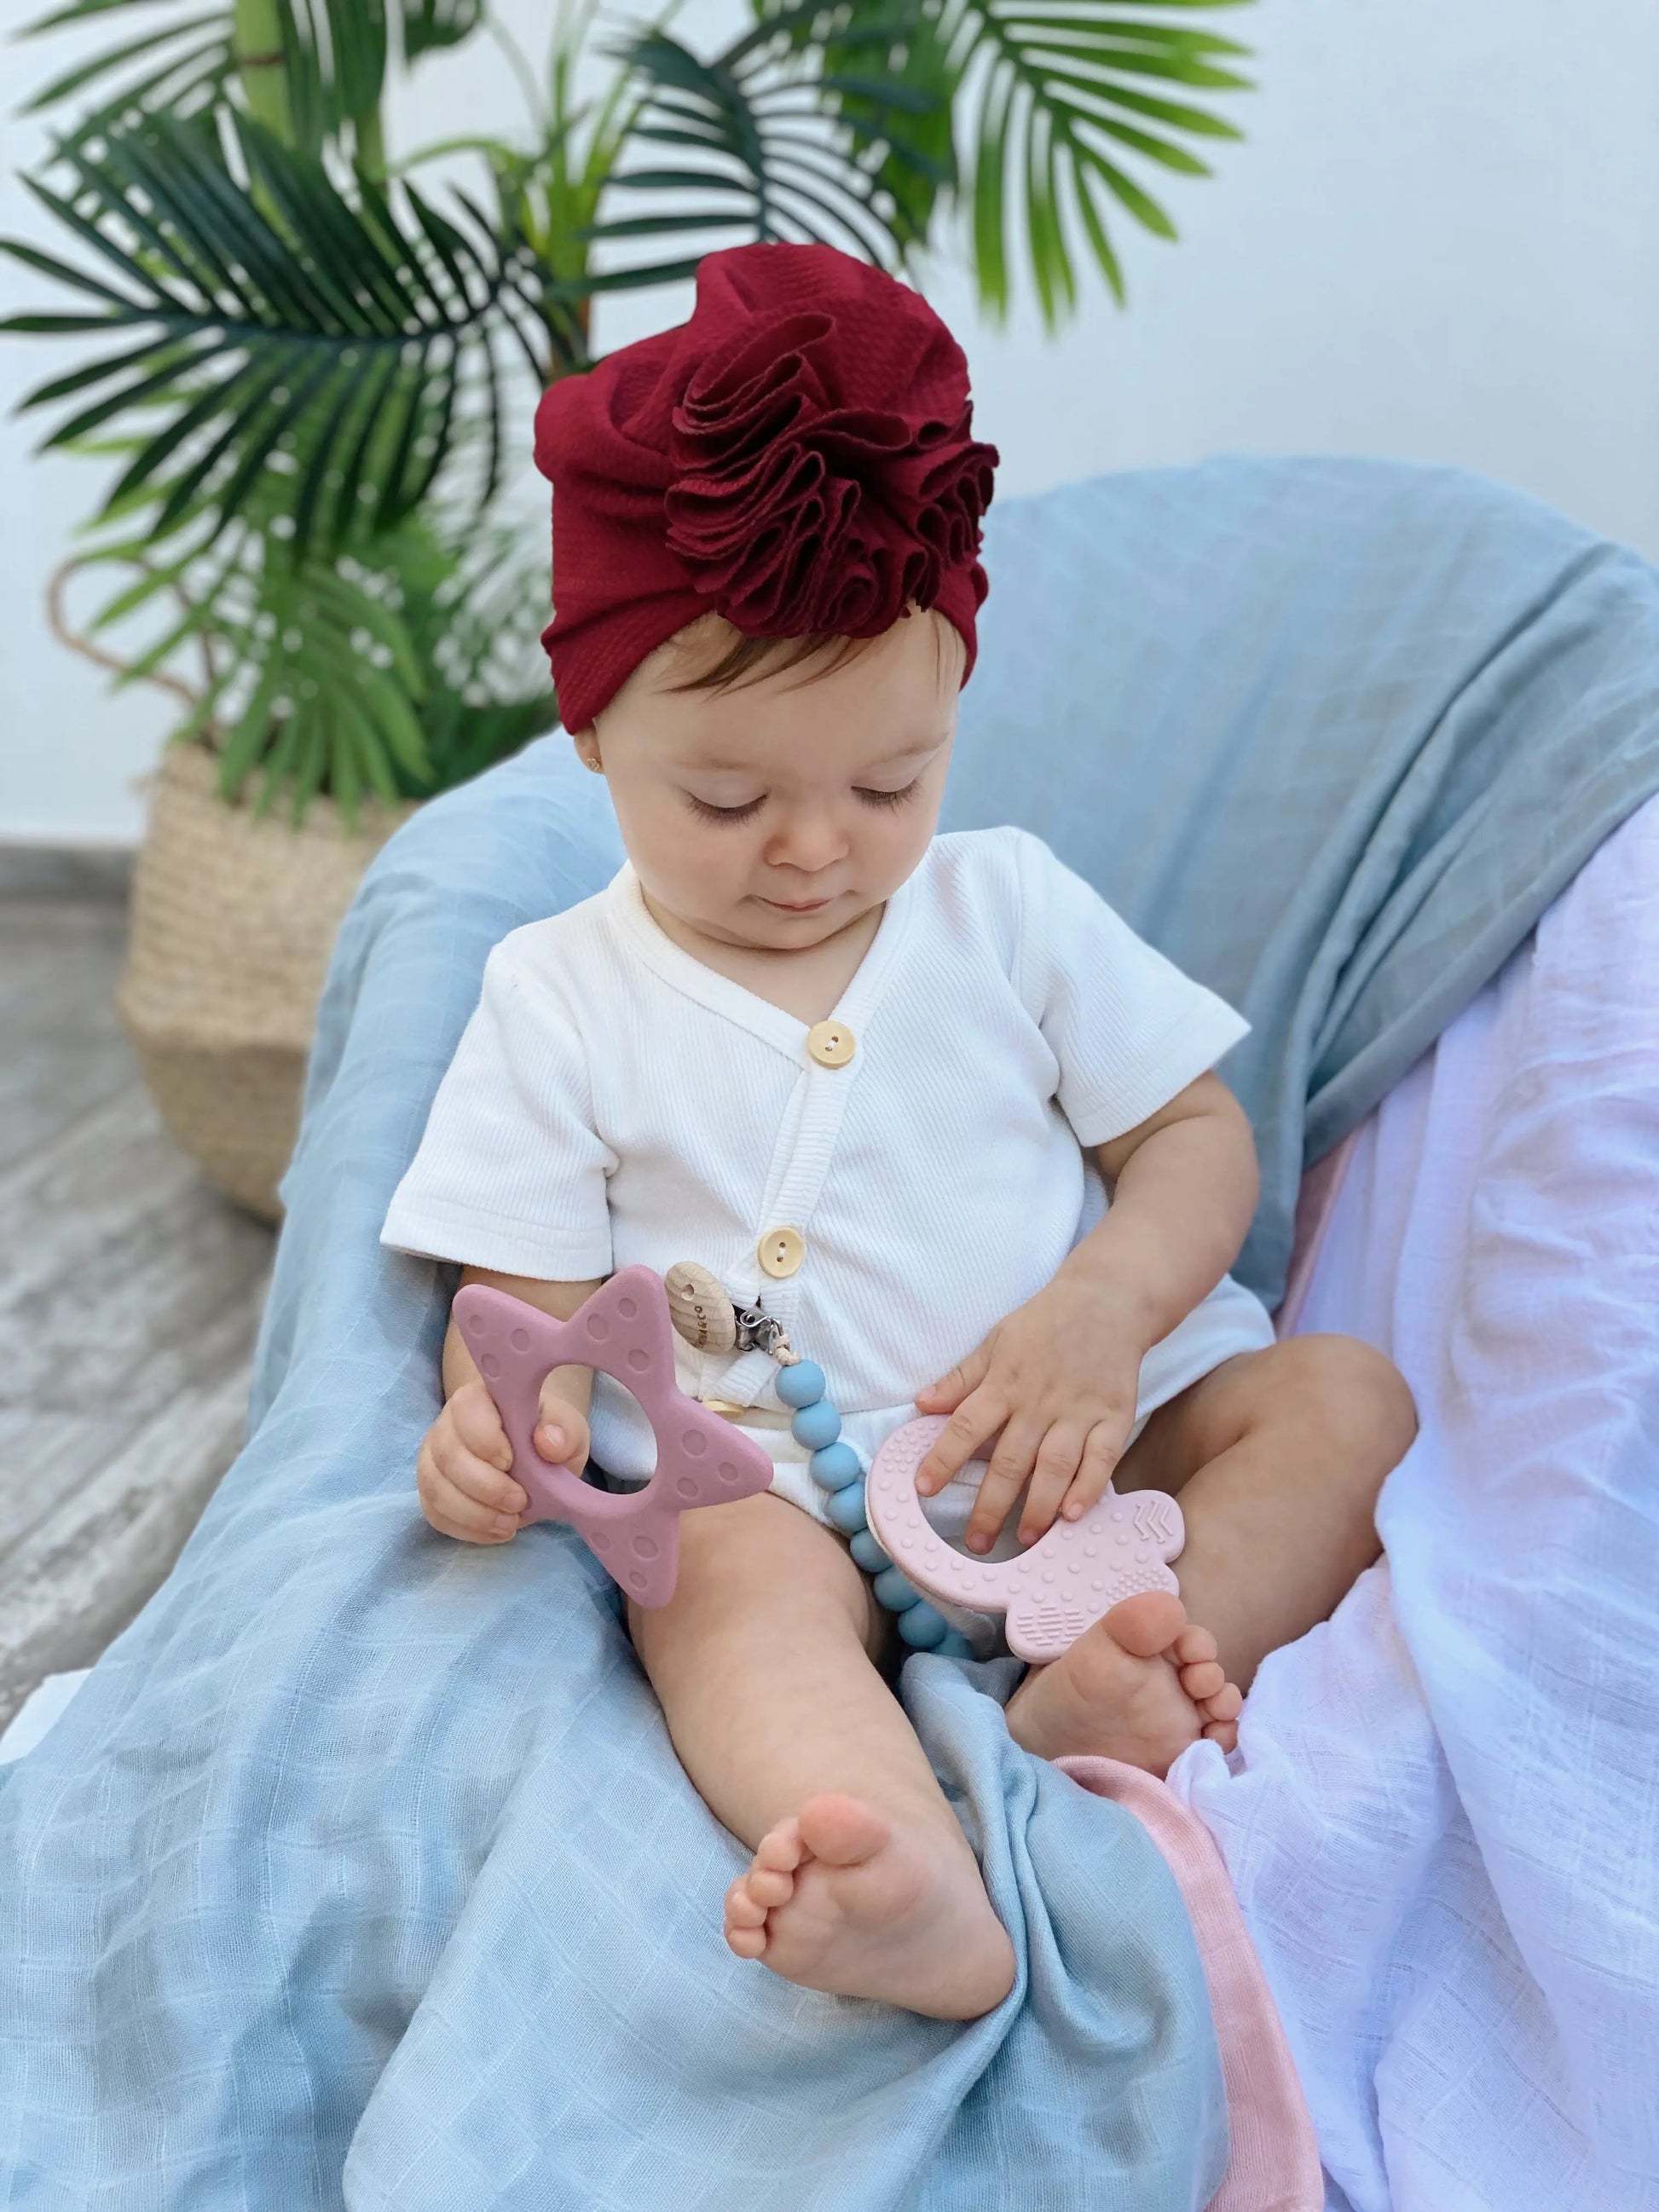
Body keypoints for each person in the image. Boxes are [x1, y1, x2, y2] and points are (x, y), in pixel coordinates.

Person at [382, 243, 1416, 2024]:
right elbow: (523, 1288)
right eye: (727, 799)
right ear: (594, 730)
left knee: (1342, 1405)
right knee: (715, 1596)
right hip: (779, 1490)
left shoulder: (1004, 909)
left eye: (889, 783)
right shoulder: (555, 990)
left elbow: (1190, 1134)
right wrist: (503, 1421)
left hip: (1085, 1438)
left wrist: (1104, 1311)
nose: (814, 849)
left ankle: (1115, 1676)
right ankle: (901, 1870)